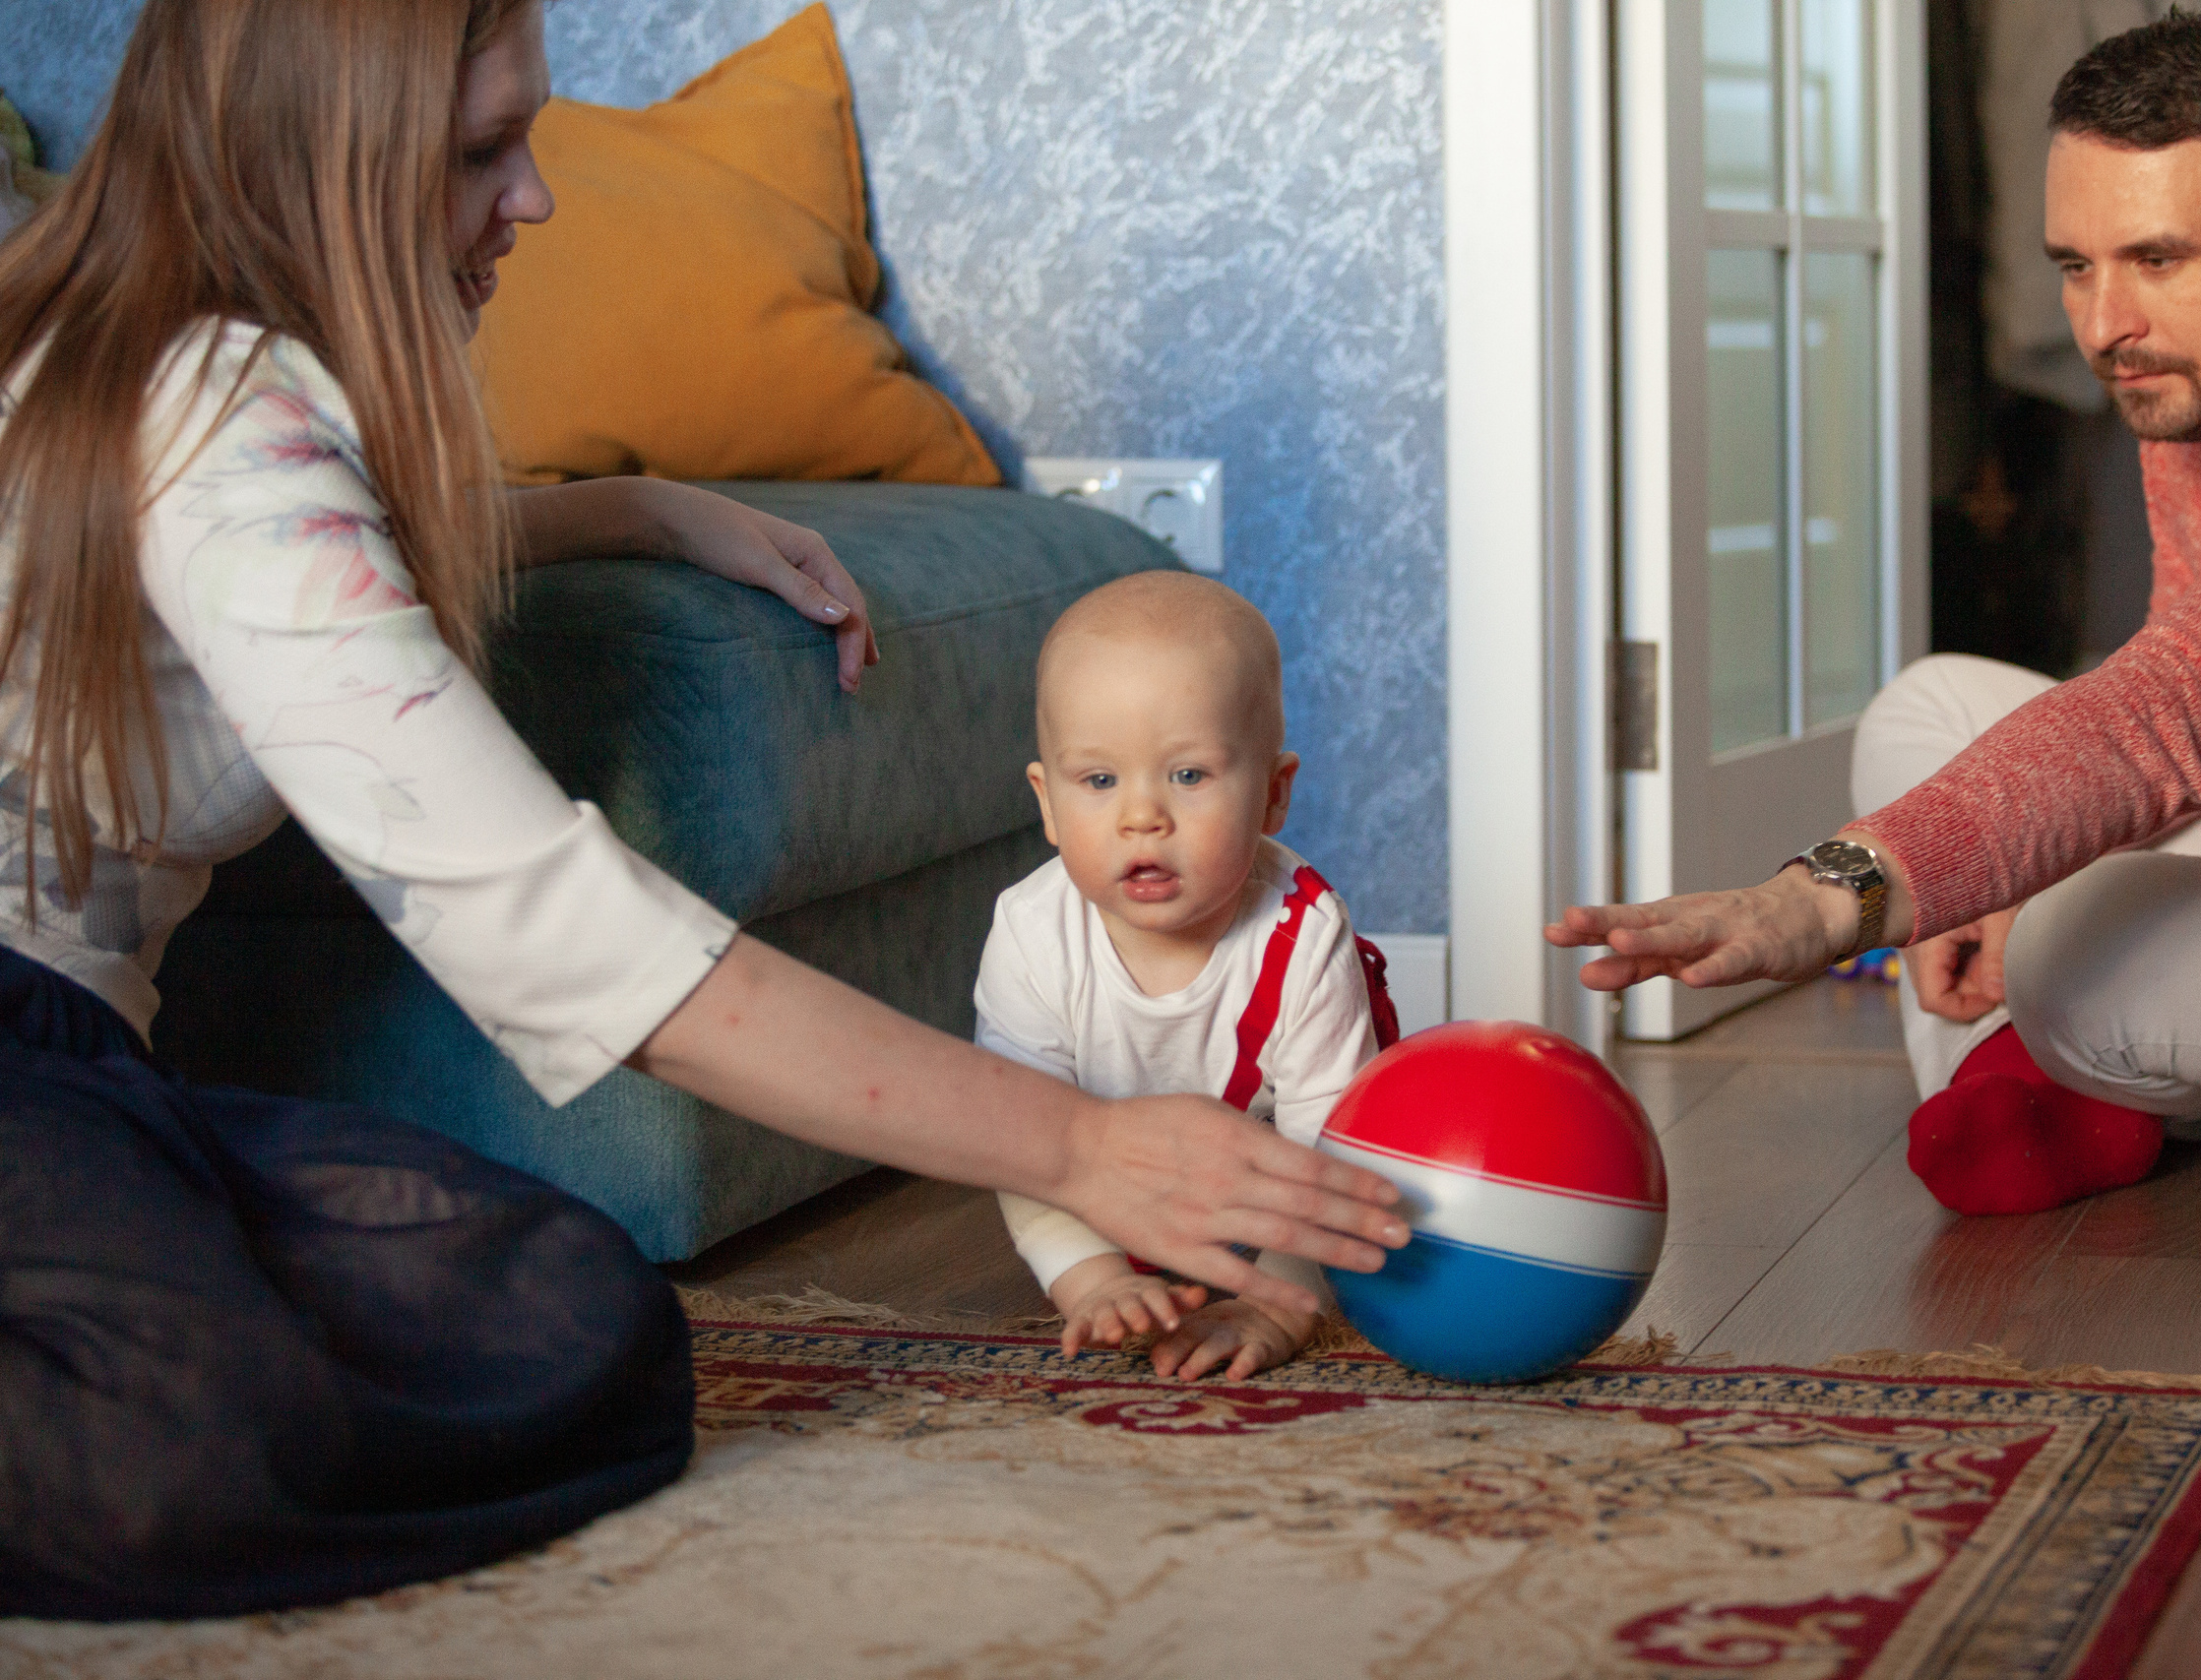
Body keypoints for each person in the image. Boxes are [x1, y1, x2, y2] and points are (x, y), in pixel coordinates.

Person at [0, 0, 1404, 1621]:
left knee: (578, 1318)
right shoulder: (222, 416)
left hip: (85, 1071)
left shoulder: (204, 387)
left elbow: (290, 564)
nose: (530, 197)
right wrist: (1083, 1141)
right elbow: (559, 932)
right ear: (328, 161)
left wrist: (642, 505)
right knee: (188, 1450)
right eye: (479, 151)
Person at [1550, 14, 2201, 1215]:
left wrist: (1820, 897)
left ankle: (2085, 1051)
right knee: (1928, 706)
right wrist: (2011, 863)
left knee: (2072, 952)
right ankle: (2020, 1089)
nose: (2103, 323)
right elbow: (2179, 682)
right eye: (2075, 263)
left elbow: (2174, 718)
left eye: (2157, 259)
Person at [979, 573, 1397, 1382]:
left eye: (1189, 775)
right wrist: (1091, 1278)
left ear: (1273, 794)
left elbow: (1335, 1162)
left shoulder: (1301, 936)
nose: (1142, 816)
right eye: (1099, 781)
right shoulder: (1031, 933)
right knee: (1021, 1128)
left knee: (1392, 1188)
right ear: (1048, 802)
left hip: (1275, 1198)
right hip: (1093, 1185)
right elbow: (1017, 1141)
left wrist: (1278, 1301)